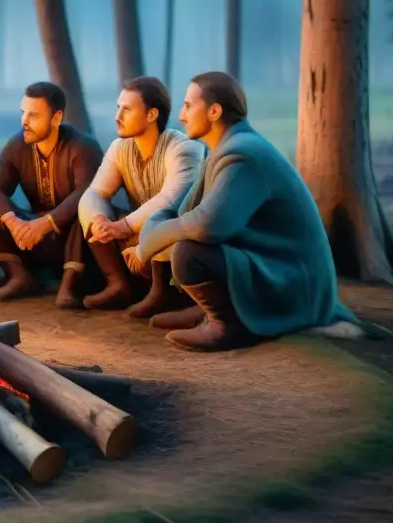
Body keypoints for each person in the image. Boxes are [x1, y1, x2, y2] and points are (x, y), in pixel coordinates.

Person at [135, 72, 358, 351]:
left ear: (214, 111)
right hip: (272, 265)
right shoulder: (223, 151)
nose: (181, 115)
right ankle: (212, 310)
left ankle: (227, 324)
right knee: (185, 237)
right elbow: (181, 212)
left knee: (189, 251)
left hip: (295, 282)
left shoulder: (243, 154)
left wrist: (147, 245)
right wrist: (155, 233)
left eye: (189, 105)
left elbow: (207, 224)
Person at [78, 77, 204, 316]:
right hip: (139, 236)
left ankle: (162, 293)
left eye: (126, 109)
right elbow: (96, 192)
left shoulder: (183, 148)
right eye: (118, 108)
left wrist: (125, 226)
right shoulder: (120, 147)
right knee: (95, 212)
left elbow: (171, 199)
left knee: (167, 224)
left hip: (174, 241)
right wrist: (100, 222)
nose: (118, 116)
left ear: (152, 114)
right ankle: (118, 284)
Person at [0, 82, 104, 307]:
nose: (24, 121)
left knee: (85, 210)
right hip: (33, 237)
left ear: (56, 118)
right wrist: (13, 222)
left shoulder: (83, 147)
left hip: (75, 241)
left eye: (33, 115)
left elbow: (86, 192)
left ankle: (70, 286)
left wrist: (46, 224)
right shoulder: (18, 144)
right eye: (23, 113)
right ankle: (20, 277)